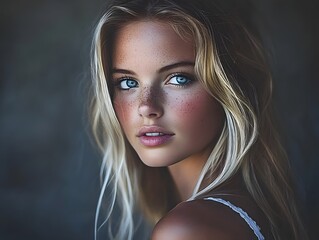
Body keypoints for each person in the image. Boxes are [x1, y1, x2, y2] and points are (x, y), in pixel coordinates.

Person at [90, 0, 307, 239]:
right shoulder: (254, 211)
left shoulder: (186, 230)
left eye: (179, 79)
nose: (146, 107)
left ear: (228, 87)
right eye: (128, 83)